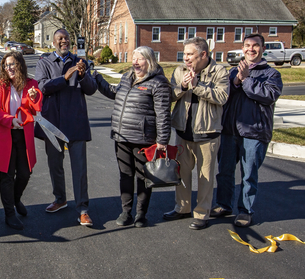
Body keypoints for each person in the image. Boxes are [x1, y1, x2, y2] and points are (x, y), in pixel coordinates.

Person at [95, 46, 171, 228]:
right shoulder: (127, 77)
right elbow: (114, 92)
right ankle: (126, 211)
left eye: (140, 59)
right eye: (133, 58)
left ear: (150, 61)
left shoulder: (158, 82)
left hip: (143, 138)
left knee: (144, 176)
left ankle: (141, 214)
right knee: (125, 175)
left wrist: (162, 140)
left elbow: (163, 113)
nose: (135, 62)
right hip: (121, 136)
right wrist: (98, 79)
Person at [211, 33, 283, 227]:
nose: (251, 49)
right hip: (229, 130)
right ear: (242, 48)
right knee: (224, 171)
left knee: (248, 174)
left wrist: (246, 80)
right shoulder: (234, 72)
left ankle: (245, 210)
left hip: (254, 132)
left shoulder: (271, 74)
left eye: (255, 45)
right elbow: (224, 96)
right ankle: (223, 204)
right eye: (247, 45)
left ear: (263, 48)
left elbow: (268, 96)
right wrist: (236, 81)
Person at [163, 37, 229, 230]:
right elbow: (171, 95)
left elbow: (222, 97)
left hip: (208, 134)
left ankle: (201, 213)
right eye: (184, 54)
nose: (186, 58)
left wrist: (197, 86)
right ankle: (182, 208)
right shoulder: (179, 71)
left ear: (203, 55)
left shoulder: (219, 71)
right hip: (184, 132)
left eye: (190, 54)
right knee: (182, 174)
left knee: (205, 177)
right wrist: (183, 87)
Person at [35, 28, 97, 227]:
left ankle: (83, 210)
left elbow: (91, 89)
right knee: (55, 165)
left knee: (79, 168)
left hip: (76, 122)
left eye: (67, 38)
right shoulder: (44, 63)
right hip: (52, 123)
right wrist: (65, 77)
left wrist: (81, 75)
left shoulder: (80, 62)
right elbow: (43, 87)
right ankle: (60, 199)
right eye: (60, 39)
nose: (64, 41)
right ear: (53, 42)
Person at [0, 51, 43, 230]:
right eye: (6, 65)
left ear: (20, 65)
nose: (9, 68)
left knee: (25, 173)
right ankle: (9, 214)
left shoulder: (31, 84)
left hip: (23, 135)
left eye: (12, 64)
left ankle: (16, 199)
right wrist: (10, 120)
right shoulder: (0, 85)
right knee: (7, 176)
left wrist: (34, 98)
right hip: (6, 135)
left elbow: (36, 109)